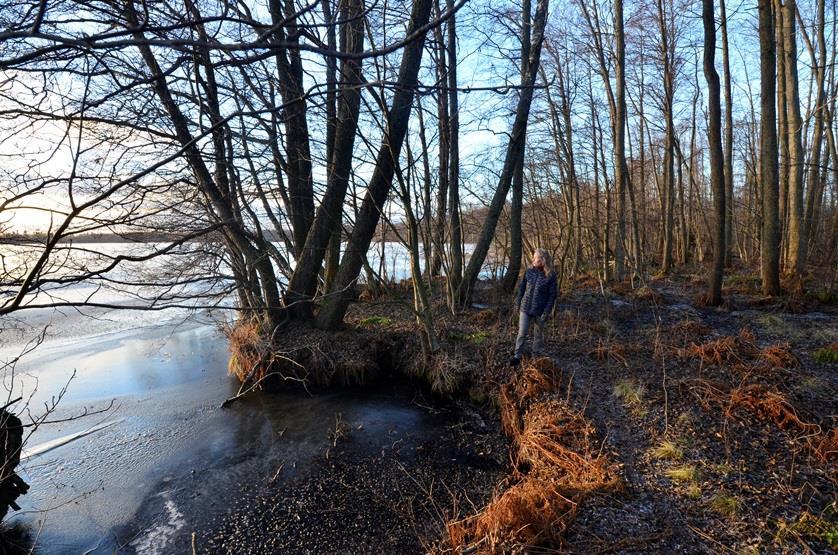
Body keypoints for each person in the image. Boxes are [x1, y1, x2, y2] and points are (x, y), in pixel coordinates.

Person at [510, 248, 557, 365]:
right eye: (534, 257)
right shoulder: (528, 272)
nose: (533, 260)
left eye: (536, 258)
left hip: (540, 310)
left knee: (538, 335)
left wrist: (547, 311)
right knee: (522, 333)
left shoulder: (550, 275)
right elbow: (521, 289)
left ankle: (536, 357)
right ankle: (517, 356)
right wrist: (518, 302)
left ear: (542, 260)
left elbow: (552, 296)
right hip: (525, 307)